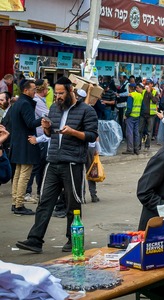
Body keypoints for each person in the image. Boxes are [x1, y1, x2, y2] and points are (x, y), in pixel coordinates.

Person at [16, 76, 98, 254]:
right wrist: (46, 127)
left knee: (72, 204)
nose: (58, 96)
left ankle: (73, 238)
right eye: (57, 93)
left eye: (61, 93)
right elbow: (50, 134)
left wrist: (73, 132)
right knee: (45, 202)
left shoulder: (86, 110)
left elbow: (91, 136)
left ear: (71, 91)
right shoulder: (54, 108)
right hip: (53, 161)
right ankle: (35, 240)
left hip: (72, 163)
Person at [9, 80, 42, 215]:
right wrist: (44, 119)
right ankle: (19, 204)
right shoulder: (25, 104)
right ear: (26, 90)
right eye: (33, 89)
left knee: (18, 173)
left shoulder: (17, 103)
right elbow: (30, 123)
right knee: (24, 175)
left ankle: (15, 202)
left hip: (17, 142)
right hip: (26, 143)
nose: (35, 91)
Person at [122, 83, 143, 155]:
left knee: (129, 133)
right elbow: (142, 107)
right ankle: (136, 149)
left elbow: (129, 108)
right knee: (136, 133)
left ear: (130, 88)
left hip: (130, 116)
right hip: (137, 116)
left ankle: (130, 149)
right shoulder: (140, 95)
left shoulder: (131, 95)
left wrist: (126, 115)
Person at [139, 80, 159, 152]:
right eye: (146, 84)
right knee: (140, 130)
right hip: (142, 114)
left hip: (151, 115)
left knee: (149, 131)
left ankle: (147, 146)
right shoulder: (143, 92)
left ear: (152, 84)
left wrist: (149, 92)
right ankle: (139, 146)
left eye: (148, 84)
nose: (147, 85)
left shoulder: (155, 92)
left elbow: (155, 100)